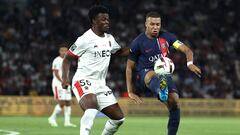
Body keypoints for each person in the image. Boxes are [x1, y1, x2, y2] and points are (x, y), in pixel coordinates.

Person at [126, 11, 201, 135]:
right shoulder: (137, 43)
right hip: (145, 75)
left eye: (158, 24)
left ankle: (163, 92)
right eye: (152, 24)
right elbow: (129, 67)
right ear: (146, 24)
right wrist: (130, 91)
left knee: (175, 102)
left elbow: (187, 50)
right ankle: (161, 90)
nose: (155, 27)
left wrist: (190, 63)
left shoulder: (168, 37)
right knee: (152, 74)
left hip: (164, 75)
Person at [61, 5, 129, 135]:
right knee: (91, 108)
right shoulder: (84, 39)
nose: (107, 22)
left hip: (100, 84)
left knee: (118, 119)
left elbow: (120, 51)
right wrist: (65, 78)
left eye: (107, 19)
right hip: (83, 79)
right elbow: (67, 58)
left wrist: (137, 49)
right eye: (103, 19)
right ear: (94, 21)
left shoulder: (109, 39)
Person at [48, 46, 77, 127]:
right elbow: (56, 73)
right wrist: (62, 81)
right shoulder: (56, 60)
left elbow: (66, 72)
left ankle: (67, 122)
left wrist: (67, 81)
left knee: (68, 102)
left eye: (65, 50)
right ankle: (52, 118)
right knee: (62, 103)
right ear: (59, 51)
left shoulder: (67, 60)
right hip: (58, 84)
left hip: (66, 83)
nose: (64, 52)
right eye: (62, 51)